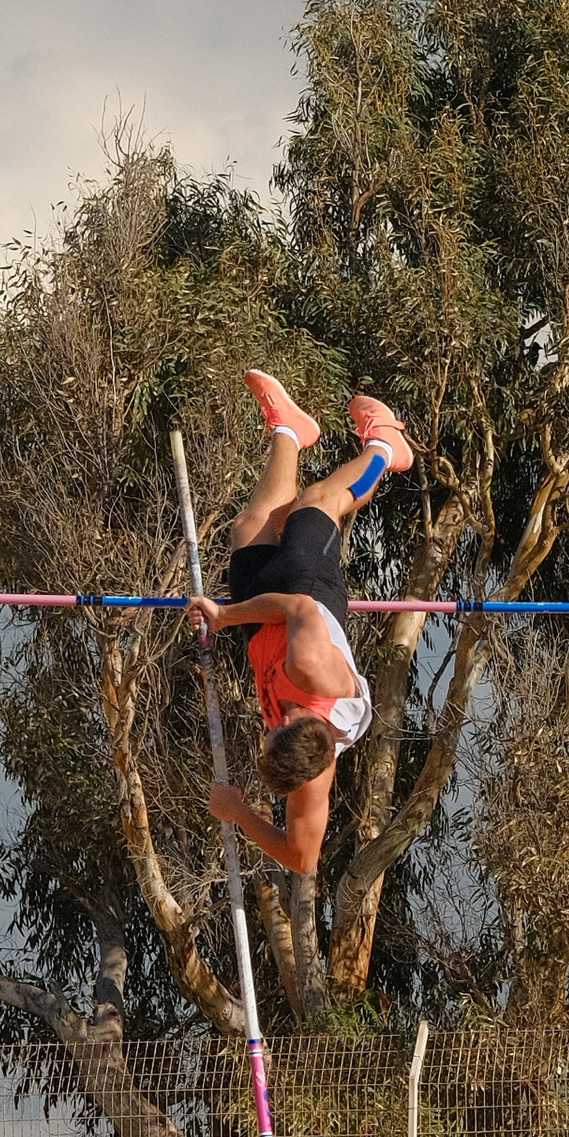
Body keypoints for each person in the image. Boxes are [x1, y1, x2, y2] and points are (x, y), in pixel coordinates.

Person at [189, 368, 413, 879]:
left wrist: (239, 813)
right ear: (291, 723)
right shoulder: (314, 673)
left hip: (263, 637)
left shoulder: (303, 768)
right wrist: (224, 616)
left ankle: (290, 428)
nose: (265, 729)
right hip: (305, 594)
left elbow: (302, 858)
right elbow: (296, 610)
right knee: (317, 503)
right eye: (271, 733)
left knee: (250, 528)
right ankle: (386, 448)